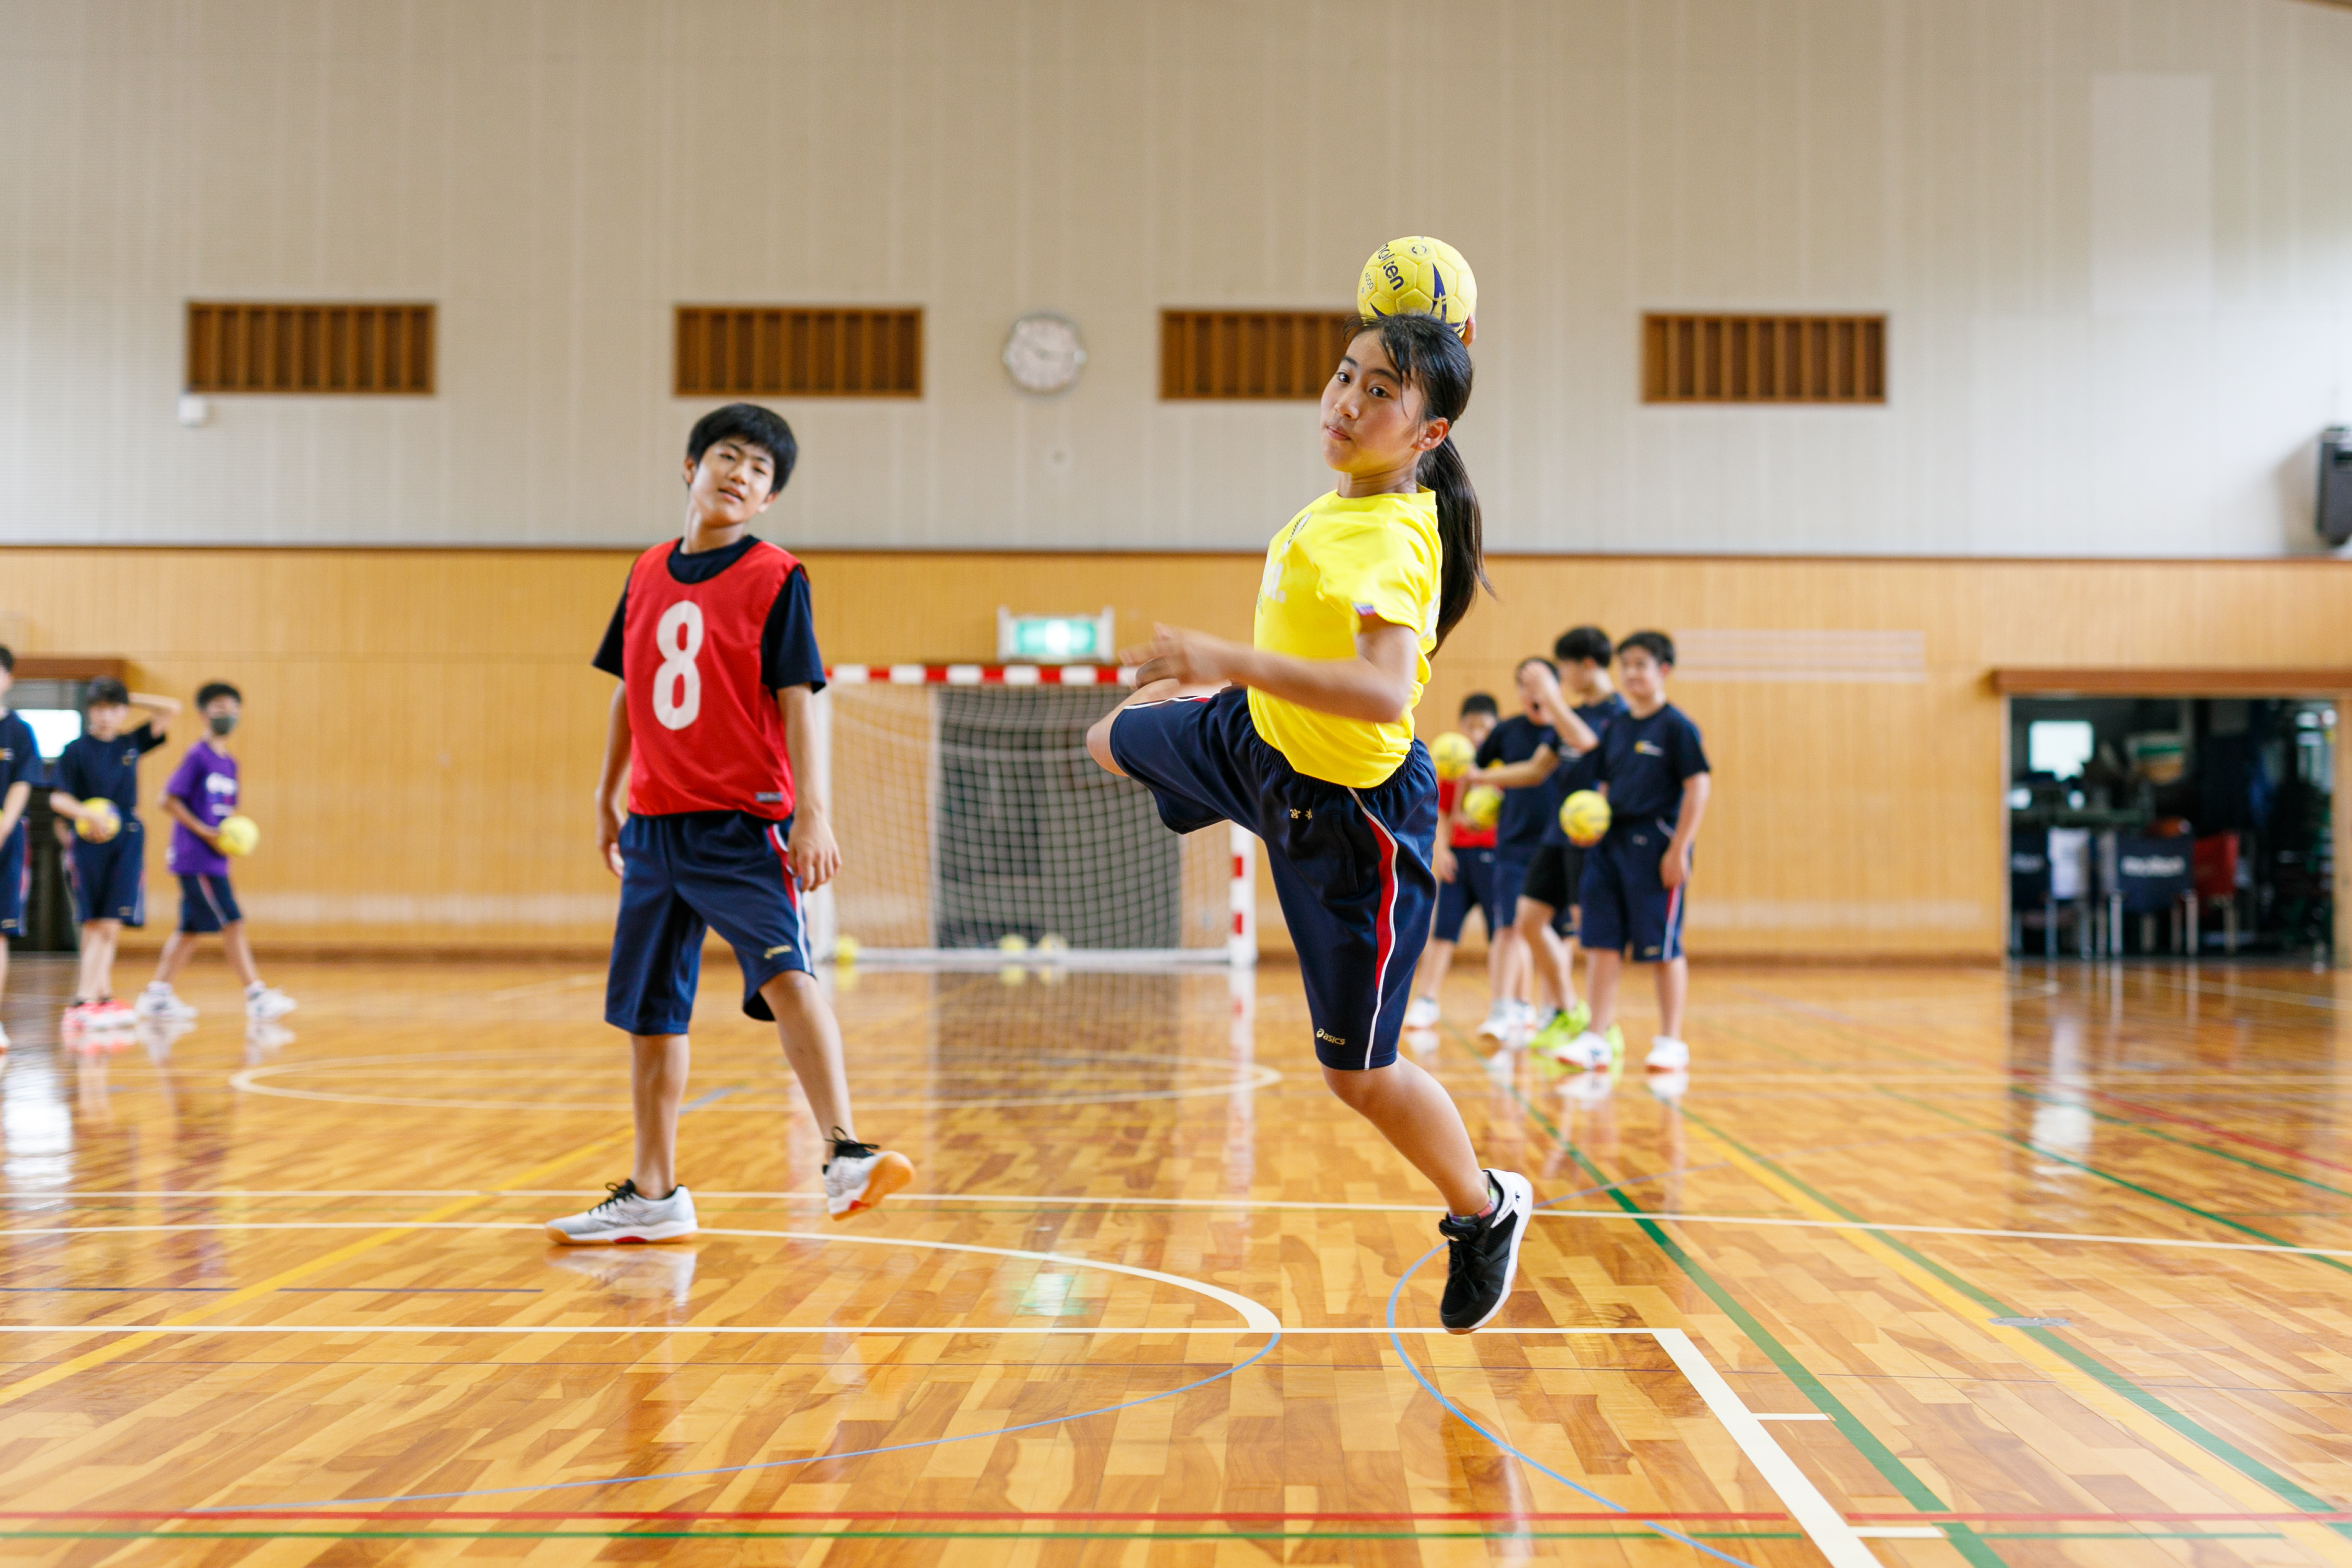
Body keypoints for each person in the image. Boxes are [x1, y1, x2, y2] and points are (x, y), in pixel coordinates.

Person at [1086, 313, 1535, 1334]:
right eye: (1347, 376)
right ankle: (1213, 792)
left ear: (1430, 436)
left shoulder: (1391, 536)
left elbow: (1383, 696)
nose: (1348, 402)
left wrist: (1223, 661)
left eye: (1382, 394)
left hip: (1348, 821)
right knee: (1106, 737)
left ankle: (1484, 1208)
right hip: (1259, 743)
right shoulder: (1342, 501)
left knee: (1357, 1073)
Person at [547, 402, 913, 1247]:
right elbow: (627, 688)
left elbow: (800, 696)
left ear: (768, 500)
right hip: (653, 829)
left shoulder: (778, 576)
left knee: (787, 977)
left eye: (760, 470)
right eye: (729, 455)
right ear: (691, 467)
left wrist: (813, 814)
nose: (740, 473)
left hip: (741, 827)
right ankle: (652, 1190)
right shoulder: (645, 572)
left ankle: (845, 1150)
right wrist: (608, 790)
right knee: (649, 1015)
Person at [1553, 631, 1712, 1080]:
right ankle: (1596, 1038)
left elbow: (1698, 785)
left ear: (1663, 671)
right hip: (1609, 844)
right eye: (1626, 665)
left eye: (1642, 664)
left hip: (1655, 845)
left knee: (1662, 947)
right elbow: (1603, 784)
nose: (1632, 673)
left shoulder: (1677, 727)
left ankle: (1670, 1041)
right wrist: (1591, 826)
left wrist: (1679, 847)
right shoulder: (1617, 725)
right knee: (1601, 943)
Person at [136, 682, 296, 1030]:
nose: (227, 714)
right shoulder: (198, 756)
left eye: (233, 708)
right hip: (195, 857)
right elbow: (167, 800)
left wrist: (229, 839)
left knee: (190, 929)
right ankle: (256, 996)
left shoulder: (230, 764)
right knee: (233, 922)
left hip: (215, 858)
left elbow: (227, 816)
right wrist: (204, 832)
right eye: (219, 707)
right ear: (204, 713)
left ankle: (158, 994)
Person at [1509, 628, 1628, 1062]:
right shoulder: (1570, 713)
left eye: (1564, 667)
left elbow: (1585, 740)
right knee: (1528, 921)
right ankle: (1567, 1009)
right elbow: (1536, 769)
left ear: (1587, 665)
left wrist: (1550, 696)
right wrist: (1477, 777)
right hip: (1557, 835)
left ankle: (1603, 1029)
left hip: (1594, 840)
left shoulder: (1620, 713)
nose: (1561, 675)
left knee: (1593, 934)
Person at [50, 679, 179, 1042]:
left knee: (113, 922)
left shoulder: (130, 743)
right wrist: (86, 816)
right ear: (89, 710)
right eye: (100, 707)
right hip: (90, 842)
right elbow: (58, 800)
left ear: (123, 711)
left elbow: (171, 709)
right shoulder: (75, 750)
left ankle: (102, 998)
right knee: (96, 922)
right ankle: (82, 1002)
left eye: (114, 707)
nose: (106, 715)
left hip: (128, 839)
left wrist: (129, 696)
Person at [1467, 658, 1562, 1046]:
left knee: (1554, 933)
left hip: (1561, 846)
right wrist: (1474, 808)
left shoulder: (1567, 731)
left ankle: (1554, 1011)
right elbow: (1474, 773)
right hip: (1514, 845)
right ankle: (1502, 1010)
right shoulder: (1506, 731)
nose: (1531, 692)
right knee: (1507, 928)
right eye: (1523, 685)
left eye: (1539, 683)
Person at [1403, 692, 1499, 1030]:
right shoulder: (1451, 769)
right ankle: (1427, 1000)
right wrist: (1442, 852)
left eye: (1485, 728)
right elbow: (1440, 815)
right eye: (1471, 727)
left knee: (1504, 934)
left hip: (1494, 860)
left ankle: (1515, 1005)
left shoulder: (1501, 769)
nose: (1477, 735)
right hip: (1458, 861)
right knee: (1443, 933)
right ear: (1461, 727)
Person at [0, 647, 40, 1053]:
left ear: (8, 679)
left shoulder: (19, 732)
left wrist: (4, 826)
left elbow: (23, 782)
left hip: (6, 846)